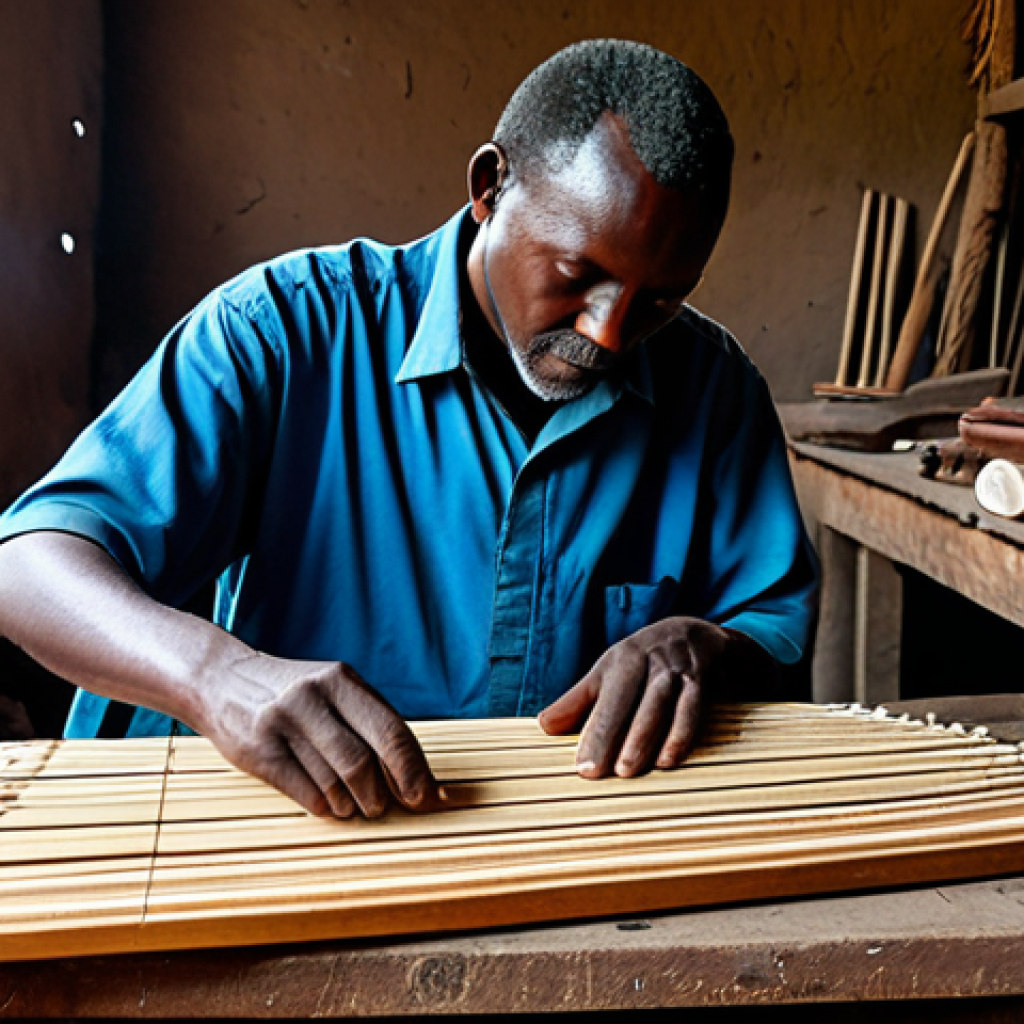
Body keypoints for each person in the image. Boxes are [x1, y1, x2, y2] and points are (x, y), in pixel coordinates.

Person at [0, 39, 817, 820]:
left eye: (660, 300)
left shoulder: (713, 393)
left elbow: (771, 633)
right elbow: (27, 566)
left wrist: (703, 645)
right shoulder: (286, 330)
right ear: (490, 187)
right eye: (578, 276)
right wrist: (218, 675)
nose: (608, 335)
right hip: (267, 848)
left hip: (553, 867)